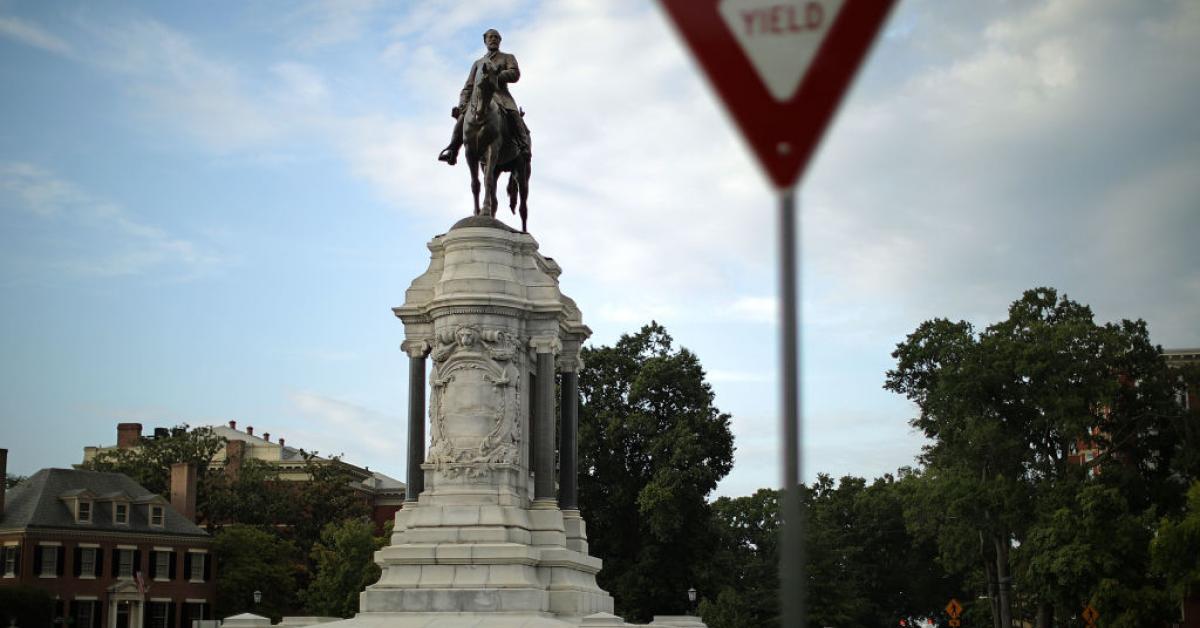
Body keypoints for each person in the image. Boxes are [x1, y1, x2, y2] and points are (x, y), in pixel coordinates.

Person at [437, 29, 531, 166]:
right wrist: (462, 104)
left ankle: (524, 146)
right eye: (490, 37)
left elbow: (515, 73)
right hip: (479, 98)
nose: (493, 39)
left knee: (514, 116)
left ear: (499, 41)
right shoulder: (478, 63)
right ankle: (452, 150)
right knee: (463, 118)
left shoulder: (507, 57)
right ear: (485, 41)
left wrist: (495, 77)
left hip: (502, 97)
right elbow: (468, 86)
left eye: (496, 37)